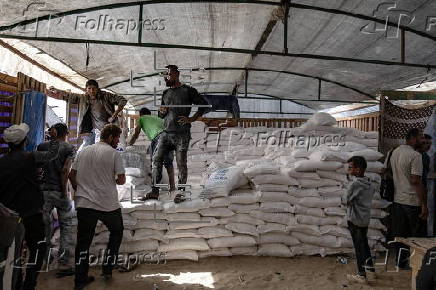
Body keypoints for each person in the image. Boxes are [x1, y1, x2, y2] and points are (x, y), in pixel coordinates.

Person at [0, 123, 59, 290]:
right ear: (24, 141)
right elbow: (52, 155)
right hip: (31, 213)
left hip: (8, 217)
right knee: (38, 248)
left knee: (13, 253)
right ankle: (30, 282)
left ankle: (15, 283)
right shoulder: (31, 157)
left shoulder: (2, 163)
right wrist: (53, 138)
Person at [69, 124, 125, 290]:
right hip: (107, 203)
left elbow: (71, 174)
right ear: (109, 137)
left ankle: (80, 281)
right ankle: (107, 268)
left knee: (83, 242)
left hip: (84, 203)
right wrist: (111, 181)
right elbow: (121, 180)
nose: (117, 141)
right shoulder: (114, 153)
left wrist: (79, 188)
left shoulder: (84, 150)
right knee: (117, 231)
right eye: (116, 138)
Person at [146, 65, 208, 203]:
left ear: (176, 74)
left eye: (168, 74)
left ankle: (180, 192)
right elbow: (161, 115)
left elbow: (203, 104)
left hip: (182, 134)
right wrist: (161, 112)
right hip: (166, 133)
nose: (165, 77)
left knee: (181, 164)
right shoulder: (165, 93)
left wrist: (192, 118)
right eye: (164, 75)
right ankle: (154, 191)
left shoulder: (188, 91)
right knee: (156, 159)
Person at [37, 123, 76, 277]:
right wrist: (64, 192)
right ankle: (64, 264)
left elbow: (37, 169)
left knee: (44, 227)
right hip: (59, 191)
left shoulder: (41, 146)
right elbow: (66, 171)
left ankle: (42, 261)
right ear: (66, 133)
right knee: (66, 225)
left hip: (43, 192)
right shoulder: (69, 148)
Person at [46, 79, 127, 151]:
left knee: (106, 149)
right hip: (91, 130)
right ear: (86, 90)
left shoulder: (106, 96)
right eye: (89, 89)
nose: (92, 91)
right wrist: (58, 90)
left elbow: (122, 100)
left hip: (108, 129)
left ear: (98, 89)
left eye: (94, 89)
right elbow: (69, 96)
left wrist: (114, 115)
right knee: (86, 150)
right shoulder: (83, 98)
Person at [389, 128, 427, 269]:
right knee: (417, 236)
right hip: (412, 202)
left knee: (401, 236)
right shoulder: (415, 155)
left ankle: (401, 263)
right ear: (412, 138)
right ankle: (417, 264)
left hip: (398, 200)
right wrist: (424, 204)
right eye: (420, 137)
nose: (422, 140)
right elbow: (416, 181)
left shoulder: (395, 152)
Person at [128, 107, 175, 192]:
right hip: (171, 137)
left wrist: (130, 144)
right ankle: (172, 187)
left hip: (158, 138)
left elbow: (136, 133)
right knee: (169, 164)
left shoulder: (142, 118)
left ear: (141, 114)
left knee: (155, 164)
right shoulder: (158, 118)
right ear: (149, 114)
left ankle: (154, 190)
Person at [345, 156, 376, 284]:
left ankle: (361, 274)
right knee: (364, 245)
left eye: (350, 167)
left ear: (357, 170)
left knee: (358, 247)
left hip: (355, 220)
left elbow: (346, 201)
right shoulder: (369, 183)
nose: (348, 169)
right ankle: (371, 271)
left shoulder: (354, 184)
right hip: (365, 219)